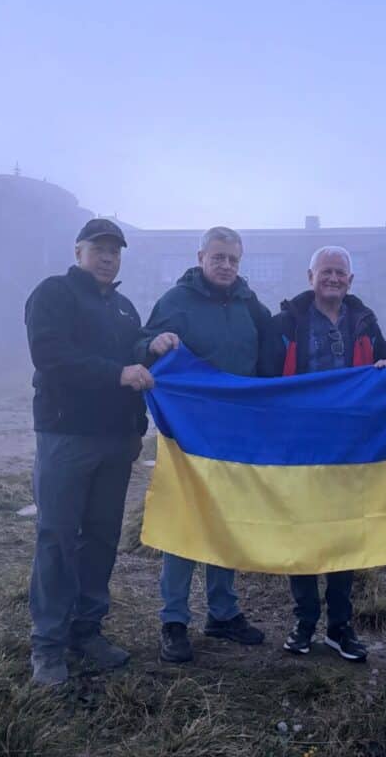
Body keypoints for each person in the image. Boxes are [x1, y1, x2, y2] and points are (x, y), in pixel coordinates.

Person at [138, 225, 279, 663]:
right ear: (201, 257)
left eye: (233, 259)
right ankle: (174, 620)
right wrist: (153, 343)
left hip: (236, 436)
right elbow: (142, 346)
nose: (226, 266)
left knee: (225, 521)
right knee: (184, 524)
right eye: (218, 257)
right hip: (188, 435)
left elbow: (272, 359)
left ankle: (222, 612)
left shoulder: (251, 306)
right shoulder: (175, 302)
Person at [24, 218, 153, 686]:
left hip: (116, 442)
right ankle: (49, 646)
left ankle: (87, 629)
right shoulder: (54, 294)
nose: (107, 257)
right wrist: (116, 373)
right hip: (66, 437)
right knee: (57, 537)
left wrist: (137, 424)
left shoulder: (124, 309)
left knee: (100, 538)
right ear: (79, 250)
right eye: (99, 248)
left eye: (115, 251)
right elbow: (51, 356)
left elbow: (138, 361)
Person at [272, 245, 386, 662]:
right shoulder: (285, 322)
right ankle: (304, 621)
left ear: (351, 281)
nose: (334, 278)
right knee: (300, 532)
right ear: (310, 276)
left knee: (343, 533)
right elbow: (263, 379)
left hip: (349, 447)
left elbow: (383, 366)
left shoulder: (366, 323)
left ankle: (340, 626)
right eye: (326, 271)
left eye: (341, 272)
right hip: (298, 445)